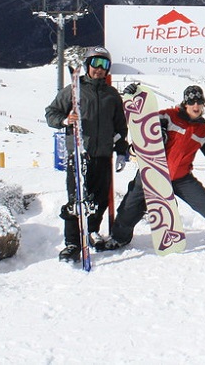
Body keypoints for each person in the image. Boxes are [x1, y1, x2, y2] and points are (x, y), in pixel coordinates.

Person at [96, 85, 205, 250]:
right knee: (130, 207)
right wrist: (135, 96)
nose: (196, 106)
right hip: (152, 172)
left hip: (181, 178)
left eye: (199, 102)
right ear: (185, 103)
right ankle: (119, 238)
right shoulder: (168, 116)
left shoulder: (202, 130)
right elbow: (142, 124)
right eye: (191, 102)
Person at [45, 46, 130, 263]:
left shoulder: (112, 95)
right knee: (76, 200)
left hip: (103, 155)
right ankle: (73, 242)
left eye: (104, 65)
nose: (99, 69)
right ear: (87, 65)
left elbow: (120, 126)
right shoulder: (74, 90)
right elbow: (51, 113)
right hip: (80, 154)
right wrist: (65, 120)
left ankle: (92, 230)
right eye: (95, 63)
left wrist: (121, 150)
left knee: (99, 199)